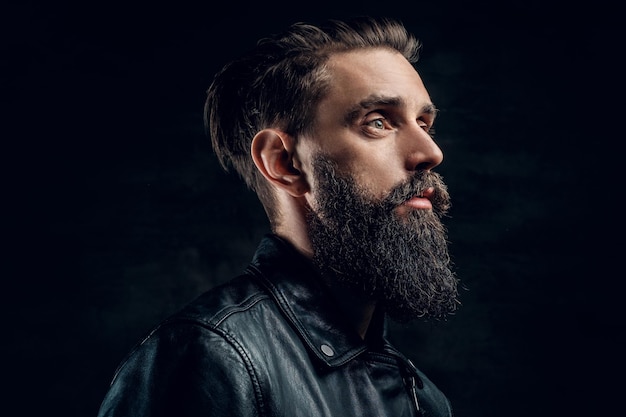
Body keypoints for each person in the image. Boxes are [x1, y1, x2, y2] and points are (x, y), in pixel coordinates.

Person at [97, 16, 460, 417]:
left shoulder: (421, 398)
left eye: (424, 123)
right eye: (378, 122)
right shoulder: (212, 358)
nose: (430, 152)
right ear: (284, 162)